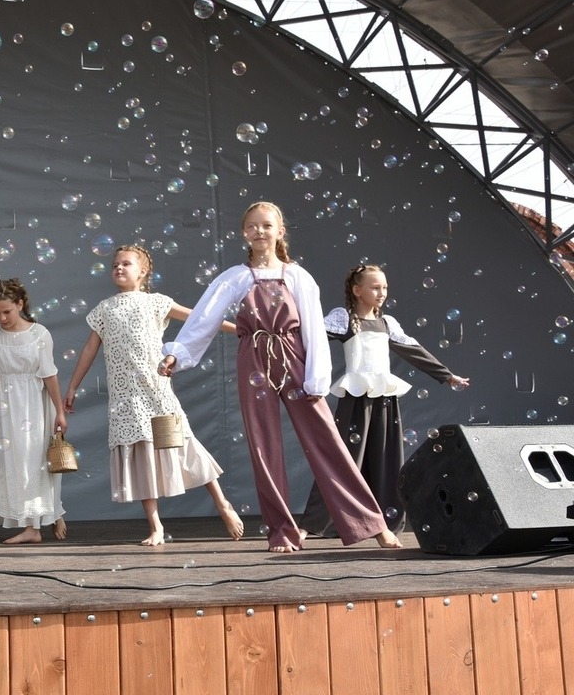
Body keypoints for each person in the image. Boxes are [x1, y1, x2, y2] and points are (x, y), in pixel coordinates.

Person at [159, 201, 403, 553]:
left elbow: (313, 329)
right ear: (244, 233)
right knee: (263, 446)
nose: (259, 231)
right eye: (252, 226)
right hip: (253, 356)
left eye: (266, 225)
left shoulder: (297, 276)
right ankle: (282, 532)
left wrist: (316, 377)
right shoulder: (234, 277)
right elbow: (203, 319)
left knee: (326, 440)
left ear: (280, 231)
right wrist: (177, 353)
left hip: (293, 354)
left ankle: (372, 523)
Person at [64, 245, 245, 546]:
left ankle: (222, 504)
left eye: (126, 263)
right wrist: (73, 386)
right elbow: (89, 350)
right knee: (140, 456)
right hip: (126, 398)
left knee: (183, 443)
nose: (118, 268)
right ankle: (156, 526)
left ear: (143, 271)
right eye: (115, 264)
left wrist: (239, 330)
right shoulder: (105, 309)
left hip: (156, 391)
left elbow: (200, 320)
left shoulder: (156, 302)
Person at [297, 264, 470, 538]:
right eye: (375, 287)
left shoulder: (387, 323)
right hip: (356, 398)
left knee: (387, 460)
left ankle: (383, 524)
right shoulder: (344, 319)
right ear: (357, 290)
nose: (382, 293)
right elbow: (309, 338)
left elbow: (414, 350)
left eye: (385, 287)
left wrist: (446, 375)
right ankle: (312, 525)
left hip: (385, 400)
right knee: (343, 460)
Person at [0, 277, 68, 544]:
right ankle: (40, 520)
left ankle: (38, 524)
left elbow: (50, 375)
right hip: (7, 410)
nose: (2, 318)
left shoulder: (39, 334)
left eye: (7, 311)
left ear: (20, 304)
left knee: (36, 462)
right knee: (15, 465)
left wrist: (60, 411)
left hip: (35, 405)